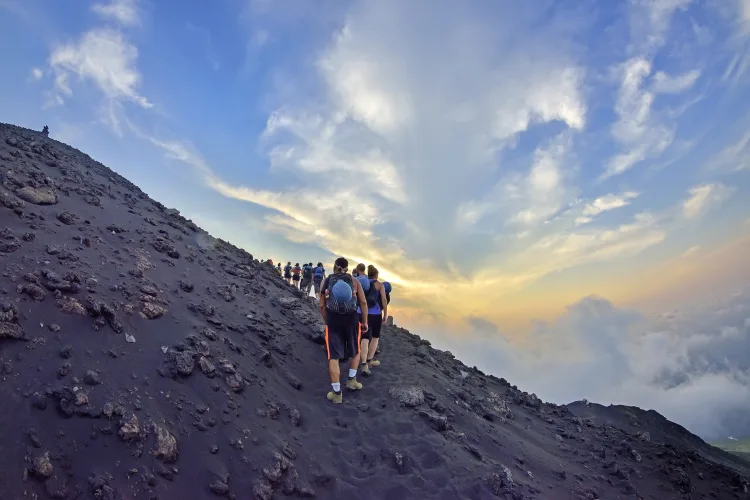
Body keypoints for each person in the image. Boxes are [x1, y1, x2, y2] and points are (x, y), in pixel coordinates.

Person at [320, 257, 368, 404]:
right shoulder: (355, 281)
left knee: (333, 356)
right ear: (347, 268)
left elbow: (322, 305)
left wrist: (327, 320)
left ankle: (336, 393)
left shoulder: (327, 281)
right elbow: (363, 302)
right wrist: (364, 321)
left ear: (334, 267)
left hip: (333, 319)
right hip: (352, 319)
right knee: (355, 350)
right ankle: (352, 381)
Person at [358, 265, 388, 376]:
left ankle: (363, 363)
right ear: (376, 275)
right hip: (375, 314)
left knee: (364, 338)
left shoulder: (362, 283)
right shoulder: (379, 285)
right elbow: (384, 300)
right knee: (375, 337)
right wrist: (385, 314)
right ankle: (370, 360)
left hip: (361, 312)